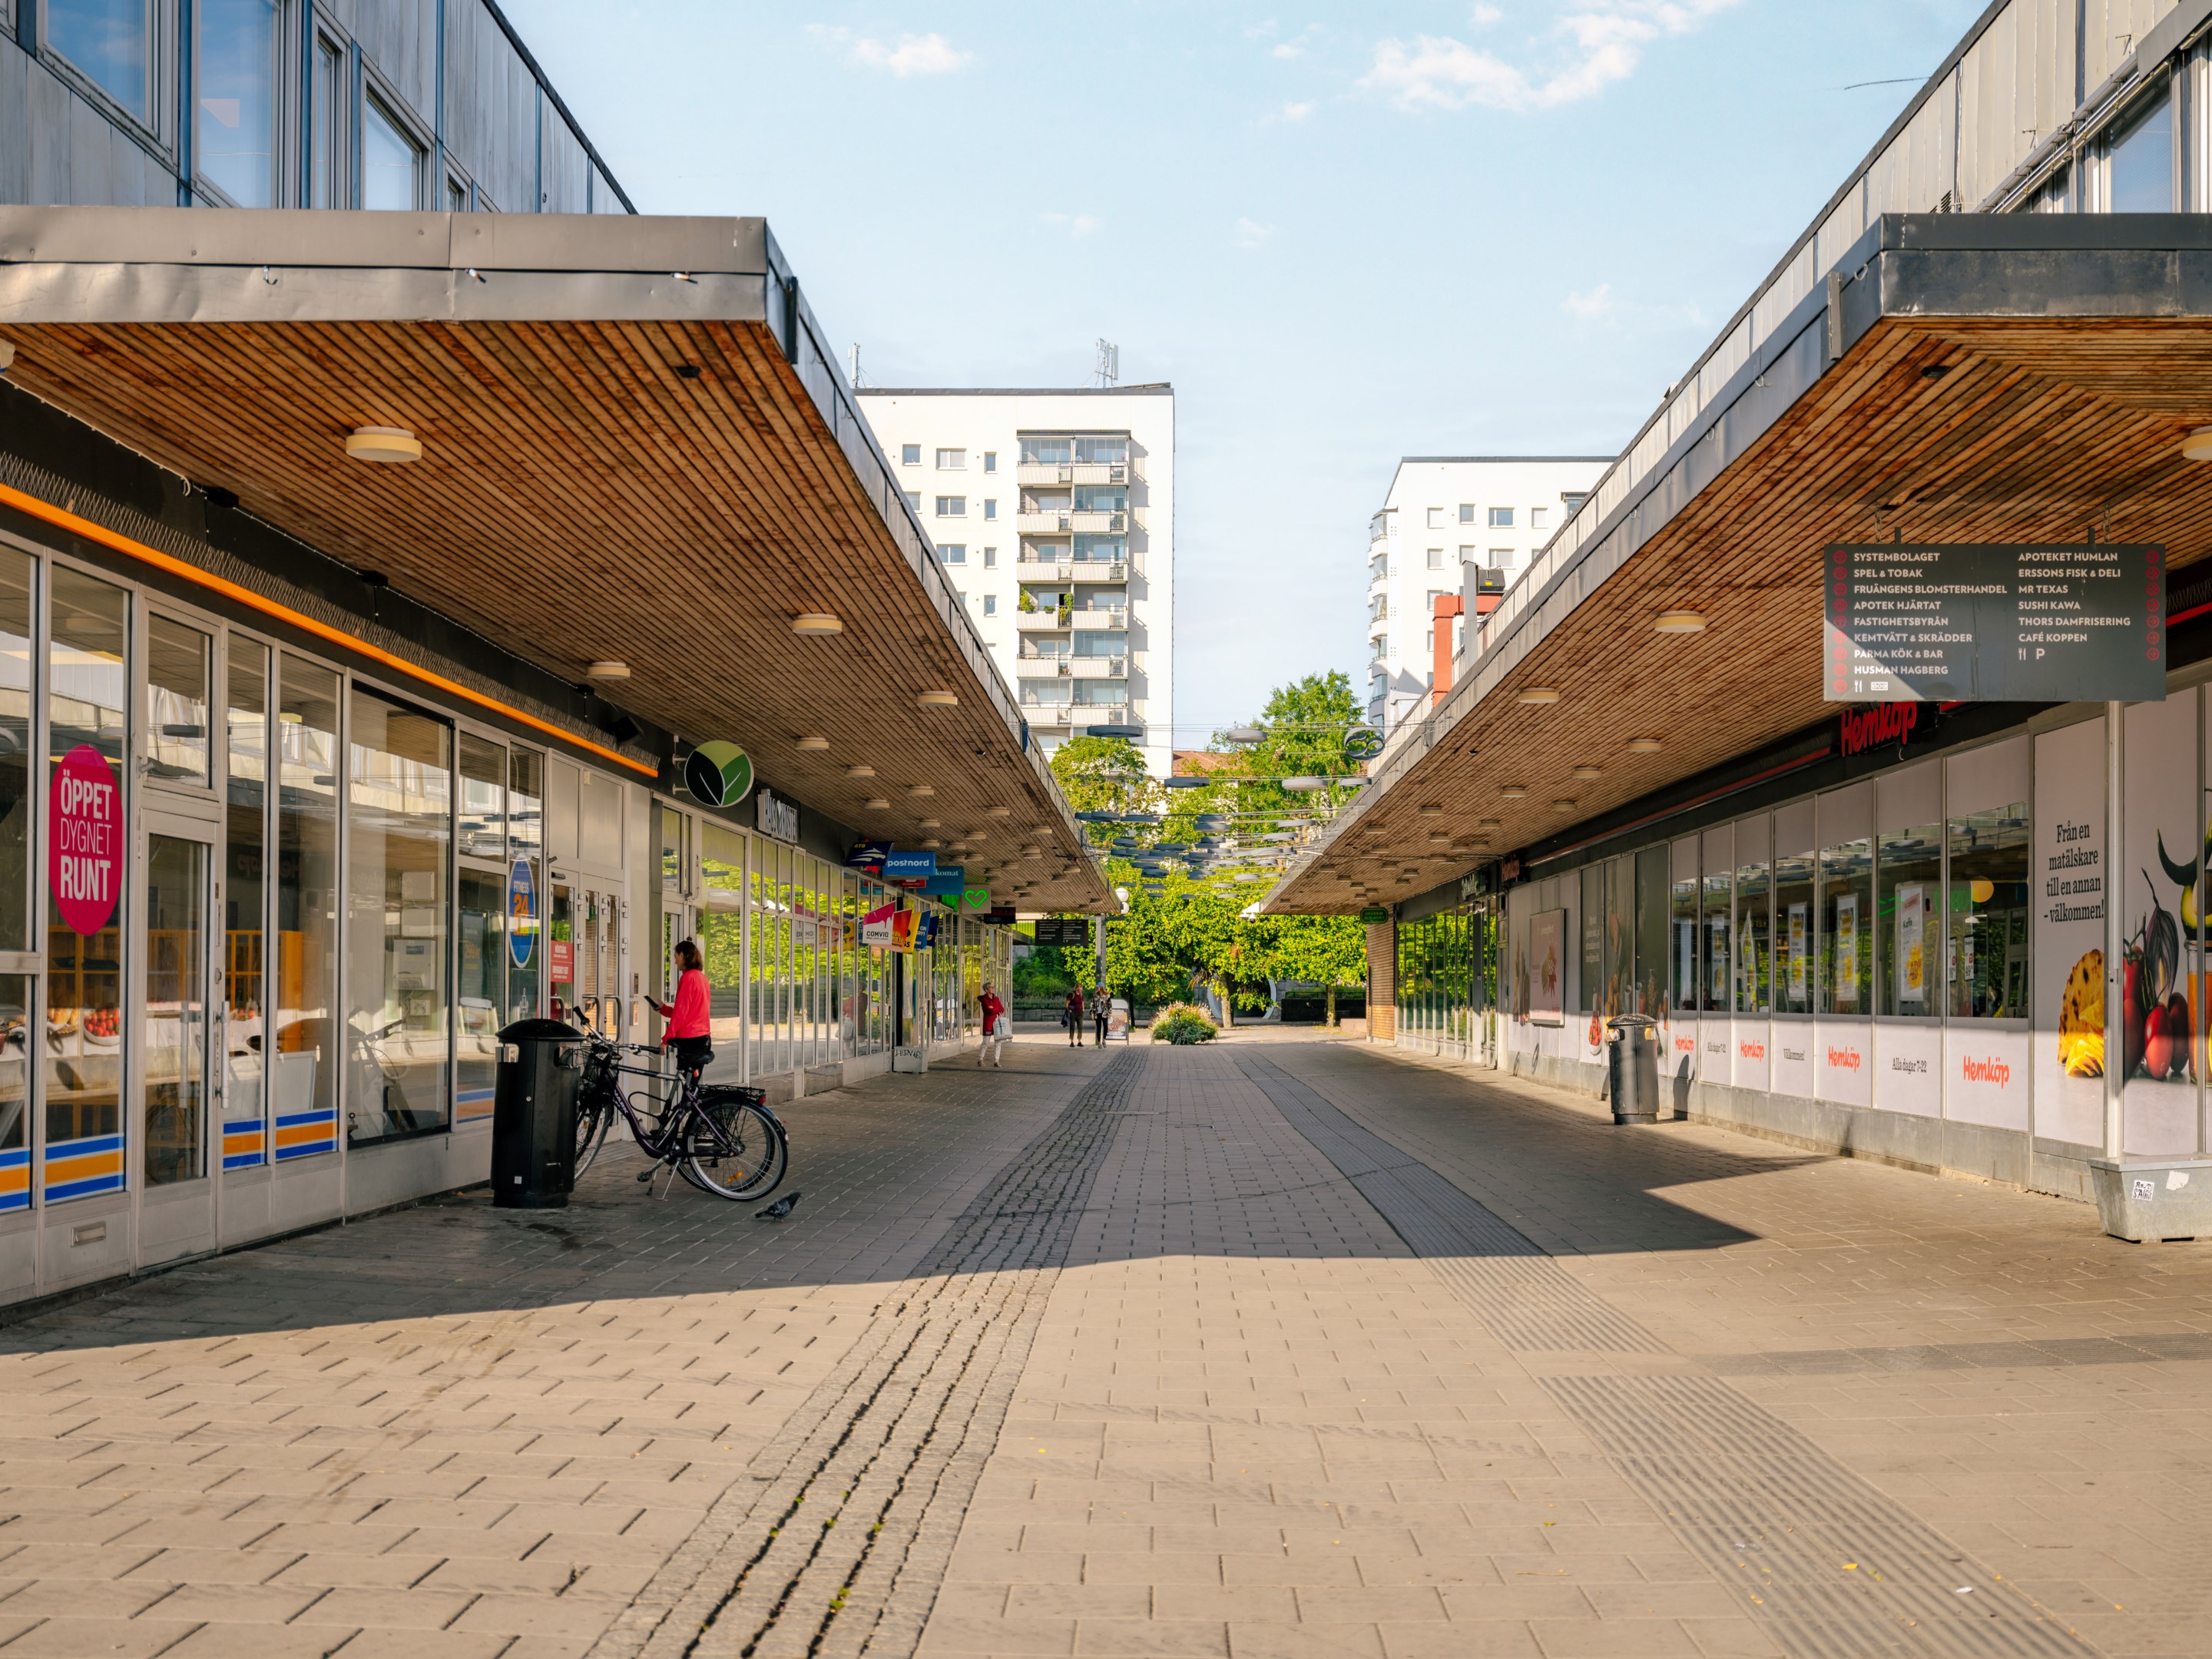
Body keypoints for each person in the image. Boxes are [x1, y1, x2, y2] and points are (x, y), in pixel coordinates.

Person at [651, 939, 712, 1087]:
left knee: (690, 1088)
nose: (675, 961)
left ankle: (700, 1110)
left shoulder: (688, 978)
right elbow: (688, 1011)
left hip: (690, 1040)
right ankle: (702, 1109)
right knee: (692, 1087)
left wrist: (666, 1040)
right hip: (702, 1038)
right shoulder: (702, 978)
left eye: (676, 956)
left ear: (683, 955)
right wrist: (664, 1009)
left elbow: (681, 1013)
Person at [978, 981, 1008, 1068]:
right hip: (988, 1023)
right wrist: (996, 1009)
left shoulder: (996, 999)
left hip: (997, 1024)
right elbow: (989, 1011)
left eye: (993, 987)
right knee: (986, 1042)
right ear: (987, 990)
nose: (993, 988)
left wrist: (994, 1008)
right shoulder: (984, 1000)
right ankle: (980, 1059)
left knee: (998, 1042)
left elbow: (1002, 1009)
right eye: (991, 987)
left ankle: (996, 1061)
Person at [1062, 985, 1085, 1049]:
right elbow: (1066, 1003)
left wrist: (1083, 1008)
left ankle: (1079, 1041)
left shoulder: (1081, 995)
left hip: (1080, 1013)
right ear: (1077, 988)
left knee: (1080, 1026)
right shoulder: (1072, 994)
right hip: (1073, 1013)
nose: (1082, 989)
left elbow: (1083, 1003)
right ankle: (1072, 1042)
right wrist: (1069, 1010)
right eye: (1081, 987)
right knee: (1072, 1026)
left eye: (1082, 987)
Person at [1089, 984, 1110, 1048]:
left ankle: (1104, 1040)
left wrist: (1110, 1013)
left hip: (1105, 1013)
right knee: (1099, 1028)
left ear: (1101, 987)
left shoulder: (1107, 995)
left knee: (1106, 1027)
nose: (1097, 988)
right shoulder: (1095, 995)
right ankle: (1099, 1043)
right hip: (1097, 1013)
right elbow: (1092, 1004)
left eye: (1098, 987)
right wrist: (1092, 1013)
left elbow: (1109, 1004)